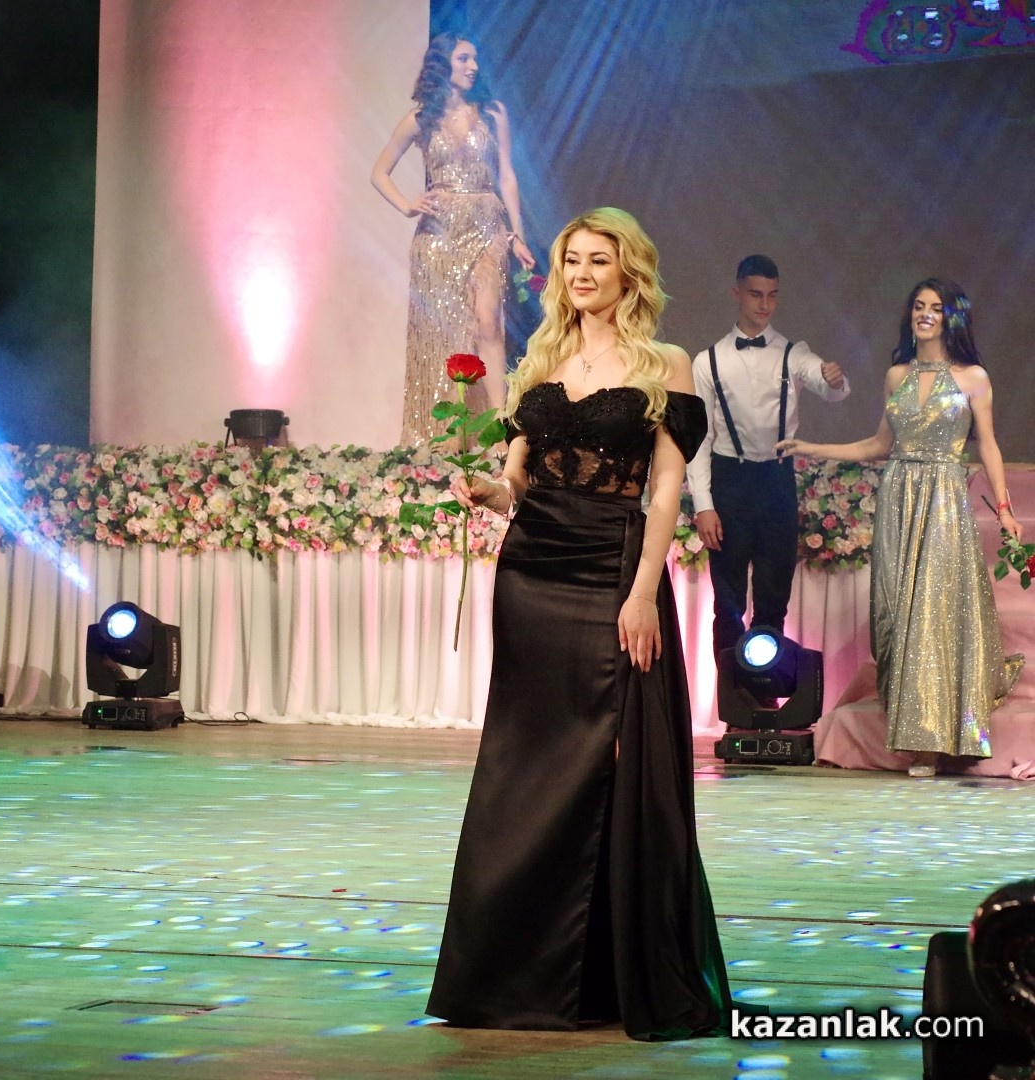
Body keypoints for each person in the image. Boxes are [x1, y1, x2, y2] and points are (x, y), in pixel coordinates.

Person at [427, 208, 730, 1039]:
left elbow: (664, 489)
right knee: (528, 763)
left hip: (614, 565)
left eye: (598, 260)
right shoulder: (541, 361)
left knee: (614, 759)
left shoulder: (665, 363)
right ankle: (511, 978)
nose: (582, 274)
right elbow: (516, 479)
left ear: (629, 270)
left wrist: (643, 592)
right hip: (533, 570)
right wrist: (488, 491)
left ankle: (609, 975)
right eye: (571, 261)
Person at [776, 279, 1023, 778]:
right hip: (898, 498)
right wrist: (812, 447)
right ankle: (915, 722)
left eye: (936, 308)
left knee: (933, 608)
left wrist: (1003, 508)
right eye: (919, 306)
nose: (925, 314)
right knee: (898, 608)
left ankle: (930, 741)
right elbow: (877, 446)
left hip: (943, 498)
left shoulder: (974, 377)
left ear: (951, 318)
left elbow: (989, 445)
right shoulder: (897, 376)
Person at [371, 32, 537, 447]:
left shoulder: (493, 113)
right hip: (439, 235)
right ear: (442, 64)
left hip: (487, 225)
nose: (473, 66)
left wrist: (517, 233)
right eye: (464, 58)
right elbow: (379, 172)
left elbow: (507, 176)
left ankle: (501, 430)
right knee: (445, 333)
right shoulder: (421, 119)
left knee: (488, 321)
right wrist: (407, 205)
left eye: (475, 59)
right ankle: (450, 435)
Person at [687, 255, 850, 659]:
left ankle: (766, 684)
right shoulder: (708, 360)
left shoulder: (793, 353)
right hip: (729, 479)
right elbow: (700, 437)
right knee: (727, 602)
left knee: (774, 596)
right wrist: (704, 505)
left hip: (776, 481)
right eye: (756, 294)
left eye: (772, 295)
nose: (764, 304)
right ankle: (730, 689)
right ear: (737, 293)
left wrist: (834, 379)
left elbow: (828, 385)